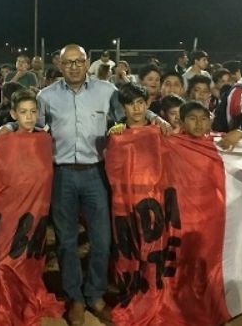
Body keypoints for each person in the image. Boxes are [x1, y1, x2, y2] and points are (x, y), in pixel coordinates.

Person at [35, 44, 169, 324]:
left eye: (79, 61)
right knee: (66, 241)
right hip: (61, 175)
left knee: (102, 240)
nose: (74, 67)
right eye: (68, 62)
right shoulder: (45, 96)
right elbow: (31, 129)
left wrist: (156, 119)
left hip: (97, 174)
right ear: (59, 65)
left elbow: (132, 112)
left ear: (88, 63)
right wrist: (8, 127)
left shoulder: (107, 91)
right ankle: (74, 297)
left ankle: (95, 294)